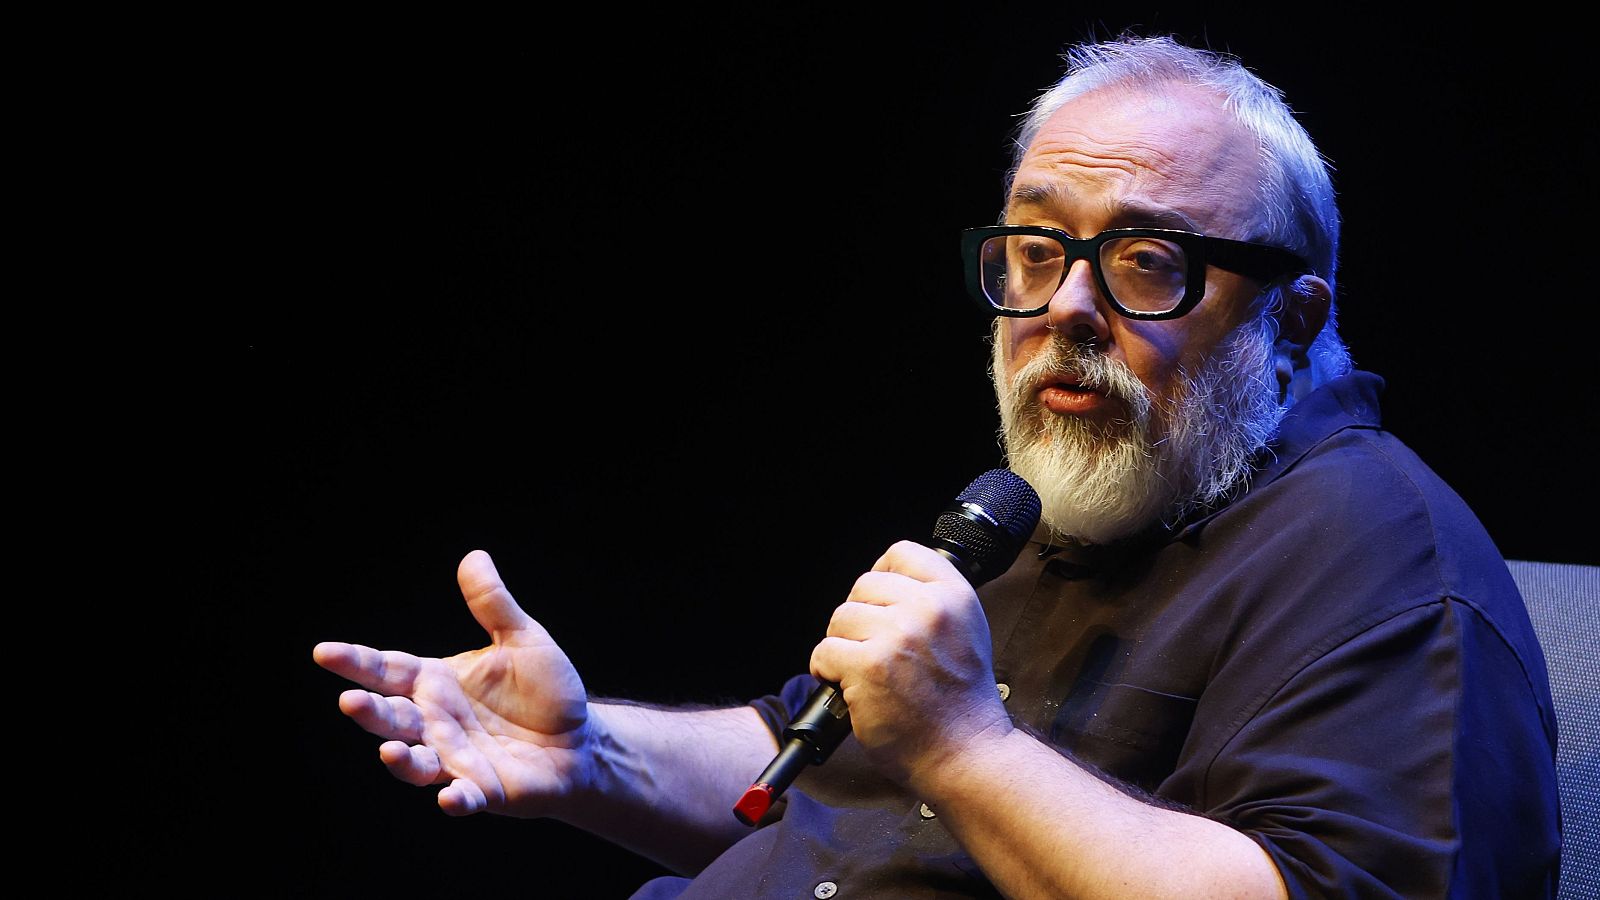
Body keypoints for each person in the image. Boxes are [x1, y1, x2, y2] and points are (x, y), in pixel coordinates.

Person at [312, 35, 1561, 897]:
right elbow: (804, 764)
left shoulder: (1381, 560)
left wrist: (964, 746)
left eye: (1144, 262)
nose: (1064, 305)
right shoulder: (1079, 500)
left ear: (1287, 322)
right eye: (1034, 247)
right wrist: (589, 754)